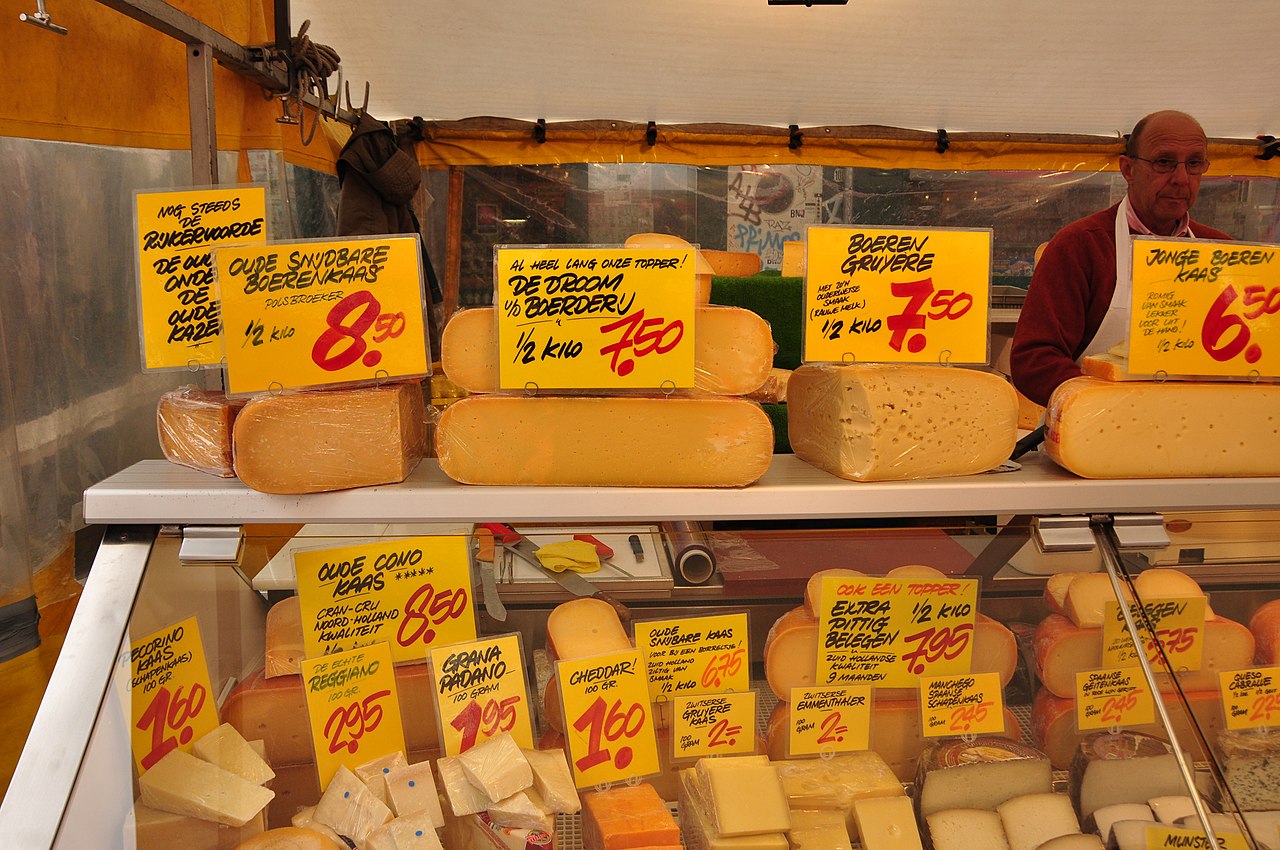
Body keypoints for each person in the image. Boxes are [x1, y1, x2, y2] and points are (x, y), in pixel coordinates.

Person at [1011, 111, 1231, 406]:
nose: (1181, 178)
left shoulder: (1223, 252)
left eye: (1194, 163)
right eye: (1163, 162)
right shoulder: (1079, 246)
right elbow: (1034, 360)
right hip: (1096, 437)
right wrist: (1111, 406)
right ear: (1128, 169)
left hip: (1200, 432)